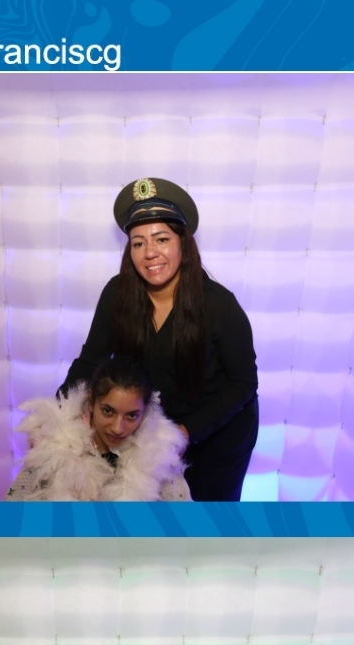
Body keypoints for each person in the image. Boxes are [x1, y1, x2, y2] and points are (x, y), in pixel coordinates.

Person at [61, 178, 258, 501]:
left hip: (218, 435)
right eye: (138, 243)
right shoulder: (116, 294)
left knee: (207, 521)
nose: (150, 252)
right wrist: (58, 417)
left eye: (162, 239)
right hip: (152, 432)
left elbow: (243, 383)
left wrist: (187, 431)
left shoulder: (220, 305)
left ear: (183, 243)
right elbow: (90, 361)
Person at [6, 355, 190, 501]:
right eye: (108, 411)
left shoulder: (158, 453)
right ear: (91, 400)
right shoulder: (54, 444)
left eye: (132, 415)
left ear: (145, 412)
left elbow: (186, 521)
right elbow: (9, 510)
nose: (118, 428)